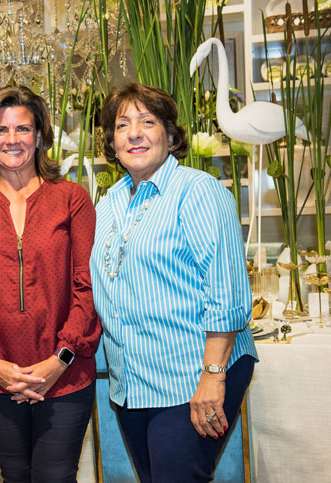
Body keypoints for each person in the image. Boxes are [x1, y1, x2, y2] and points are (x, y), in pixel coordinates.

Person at [89, 82, 258, 482]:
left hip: (193, 376)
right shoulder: (106, 205)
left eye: (147, 122)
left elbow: (227, 291)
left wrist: (212, 377)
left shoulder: (197, 191)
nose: (134, 133)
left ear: (169, 133)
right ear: (111, 142)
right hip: (133, 385)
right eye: (122, 124)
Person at [0, 86, 101, 482]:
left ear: (40, 136)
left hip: (65, 375)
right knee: (14, 476)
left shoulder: (72, 199)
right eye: (0, 130)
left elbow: (89, 288)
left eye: (23, 129)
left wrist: (58, 362)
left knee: (55, 477)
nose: (12, 139)